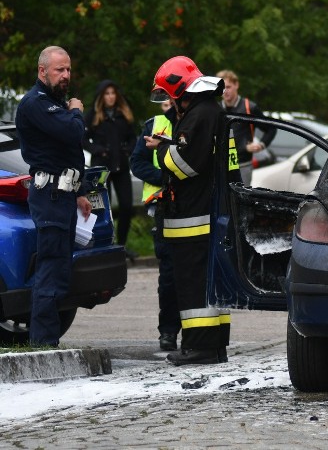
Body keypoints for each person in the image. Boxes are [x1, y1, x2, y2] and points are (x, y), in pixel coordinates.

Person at [146, 56, 235, 365]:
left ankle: (199, 347)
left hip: (193, 219)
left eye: (170, 96)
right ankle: (214, 346)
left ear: (180, 90)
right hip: (207, 215)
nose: (170, 103)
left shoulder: (199, 115)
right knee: (210, 284)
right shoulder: (212, 111)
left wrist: (161, 149)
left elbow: (185, 165)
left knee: (193, 284)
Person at [15, 45, 92, 347]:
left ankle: (47, 341)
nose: (66, 75)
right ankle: (43, 344)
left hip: (64, 196)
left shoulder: (55, 103)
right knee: (50, 270)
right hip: (49, 198)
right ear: (42, 71)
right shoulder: (35, 103)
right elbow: (73, 135)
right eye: (60, 69)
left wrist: (81, 191)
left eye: (69, 69)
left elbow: (67, 152)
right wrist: (76, 111)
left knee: (60, 270)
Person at [129, 99, 181, 351]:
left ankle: (195, 333)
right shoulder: (155, 125)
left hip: (195, 204)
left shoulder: (198, 121)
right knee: (170, 273)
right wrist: (164, 178)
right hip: (164, 206)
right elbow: (137, 162)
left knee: (194, 272)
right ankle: (169, 331)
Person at [83, 80, 138, 261]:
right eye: (107, 94)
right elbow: (83, 139)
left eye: (113, 93)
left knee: (126, 206)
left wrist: (127, 150)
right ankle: (102, 244)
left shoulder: (124, 114)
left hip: (121, 165)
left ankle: (121, 244)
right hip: (101, 167)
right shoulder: (93, 115)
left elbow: (133, 138)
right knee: (100, 207)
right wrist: (98, 150)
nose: (110, 97)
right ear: (101, 96)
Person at [216, 69, 276, 184]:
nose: (225, 91)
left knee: (240, 200)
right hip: (221, 166)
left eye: (228, 87)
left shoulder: (250, 107)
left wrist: (261, 145)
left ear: (236, 85)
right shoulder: (217, 109)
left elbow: (271, 129)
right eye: (222, 88)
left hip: (243, 165)